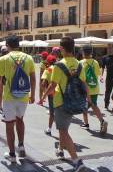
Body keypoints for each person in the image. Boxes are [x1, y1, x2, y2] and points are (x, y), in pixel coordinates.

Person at [43, 37, 86, 171]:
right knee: (63, 129)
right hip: (76, 101)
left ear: (62, 48)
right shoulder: (79, 64)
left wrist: (43, 96)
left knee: (63, 131)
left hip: (61, 102)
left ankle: (77, 161)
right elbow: (84, 85)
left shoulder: (58, 65)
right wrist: (88, 100)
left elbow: (53, 85)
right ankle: (60, 150)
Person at [0, 35, 36, 163]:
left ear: (7, 45)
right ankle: (21, 144)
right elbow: (33, 78)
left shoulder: (4, 59)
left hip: (9, 97)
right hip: (23, 96)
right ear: (19, 45)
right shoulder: (29, 58)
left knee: (9, 125)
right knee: (20, 120)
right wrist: (33, 95)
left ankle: (12, 155)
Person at [79, 45, 108, 134]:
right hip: (94, 88)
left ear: (83, 52)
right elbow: (97, 75)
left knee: (86, 106)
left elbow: (80, 78)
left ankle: (98, 121)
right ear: (91, 53)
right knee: (91, 105)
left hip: (84, 89)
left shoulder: (80, 63)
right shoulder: (95, 62)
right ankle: (91, 122)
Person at [39, 54, 57, 136]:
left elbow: (43, 84)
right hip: (61, 94)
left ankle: (49, 129)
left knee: (52, 113)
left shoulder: (48, 69)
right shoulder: (59, 68)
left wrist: (43, 95)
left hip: (51, 93)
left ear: (48, 62)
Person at [0, 46, 8, 111]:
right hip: (8, 77)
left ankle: (0, 105)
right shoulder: (10, 57)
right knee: (7, 92)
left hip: (1, 76)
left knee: (0, 92)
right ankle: (6, 105)